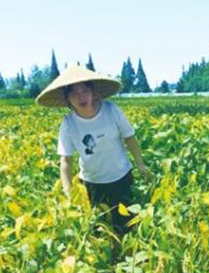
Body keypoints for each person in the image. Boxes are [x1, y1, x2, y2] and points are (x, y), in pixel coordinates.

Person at [36, 65, 151, 236]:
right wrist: (68, 190)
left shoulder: (111, 111)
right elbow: (66, 161)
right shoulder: (68, 124)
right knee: (97, 229)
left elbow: (130, 137)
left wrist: (140, 165)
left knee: (125, 227)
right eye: (74, 93)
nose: (80, 96)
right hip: (91, 183)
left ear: (93, 92)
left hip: (120, 178)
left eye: (84, 90)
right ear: (68, 99)